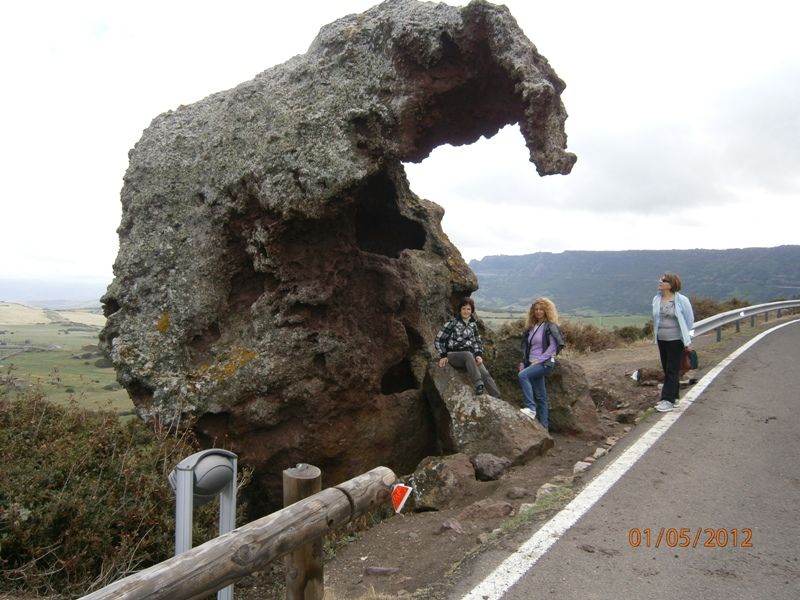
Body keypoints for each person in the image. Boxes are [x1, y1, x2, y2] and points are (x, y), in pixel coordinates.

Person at [434, 297, 501, 397]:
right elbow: (439, 340)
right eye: (463, 308)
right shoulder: (452, 323)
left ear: (472, 311)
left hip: (470, 357)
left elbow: (477, 342)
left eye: (468, 309)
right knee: (468, 354)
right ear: (460, 310)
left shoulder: (473, 325)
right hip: (453, 355)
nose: (466, 311)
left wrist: (478, 354)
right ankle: (478, 385)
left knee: (485, 372)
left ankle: (497, 397)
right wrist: (443, 355)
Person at [518, 297, 564, 430]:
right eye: (536, 309)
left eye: (541, 309)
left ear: (546, 311)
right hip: (531, 363)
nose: (538, 312)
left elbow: (553, 347)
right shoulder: (532, 327)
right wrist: (523, 362)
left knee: (522, 376)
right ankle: (545, 428)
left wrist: (540, 359)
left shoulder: (550, 326)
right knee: (541, 397)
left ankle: (531, 408)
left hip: (544, 363)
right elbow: (527, 348)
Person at [652, 272, 694, 412]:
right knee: (667, 368)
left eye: (663, 280)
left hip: (676, 340)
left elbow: (689, 320)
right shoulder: (656, 299)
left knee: (672, 369)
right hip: (661, 339)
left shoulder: (681, 300)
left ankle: (667, 400)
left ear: (671, 284)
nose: (660, 282)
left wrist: (687, 339)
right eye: (660, 280)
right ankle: (674, 397)